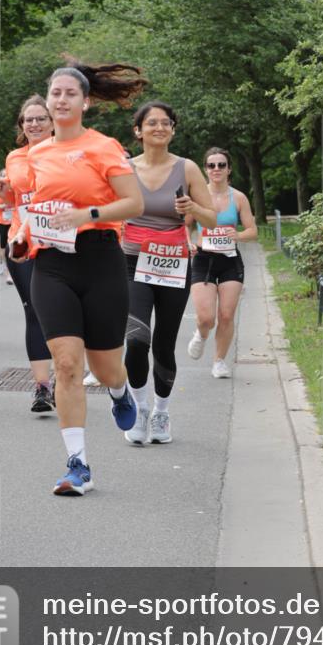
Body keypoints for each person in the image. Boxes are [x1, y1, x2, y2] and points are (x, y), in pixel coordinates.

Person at [11, 59, 146, 496]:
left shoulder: (104, 146)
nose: (62, 100)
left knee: (106, 367)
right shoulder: (34, 155)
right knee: (67, 365)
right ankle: (78, 465)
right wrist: (19, 237)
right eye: (55, 93)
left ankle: (121, 391)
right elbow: (28, 212)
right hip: (51, 264)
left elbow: (134, 203)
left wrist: (86, 214)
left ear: (85, 102)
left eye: (70, 93)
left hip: (100, 258)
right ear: (47, 102)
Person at [122, 102, 216, 445]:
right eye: (151, 123)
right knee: (135, 340)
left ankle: (162, 411)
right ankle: (140, 408)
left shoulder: (187, 168)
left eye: (166, 123)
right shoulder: (124, 168)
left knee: (163, 343)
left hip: (173, 263)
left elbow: (212, 219)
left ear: (173, 130)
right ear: (138, 130)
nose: (159, 128)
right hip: (132, 262)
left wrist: (192, 208)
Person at [0, 95, 56, 413]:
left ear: (53, 122)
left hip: (61, 242)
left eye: (40, 118)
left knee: (63, 313)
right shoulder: (15, 157)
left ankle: (68, 372)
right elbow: (12, 199)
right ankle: (43, 387)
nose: (33, 124)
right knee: (34, 310)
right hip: (23, 243)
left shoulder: (68, 153)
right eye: (28, 120)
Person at [187, 146, 257, 378]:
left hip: (230, 260)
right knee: (206, 317)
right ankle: (201, 333)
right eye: (211, 165)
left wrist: (238, 235)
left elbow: (252, 230)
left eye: (221, 165)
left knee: (226, 315)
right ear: (205, 169)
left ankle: (219, 361)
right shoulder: (197, 196)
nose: (216, 169)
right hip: (203, 258)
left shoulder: (238, 198)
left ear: (229, 170)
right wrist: (188, 242)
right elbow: (185, 225)